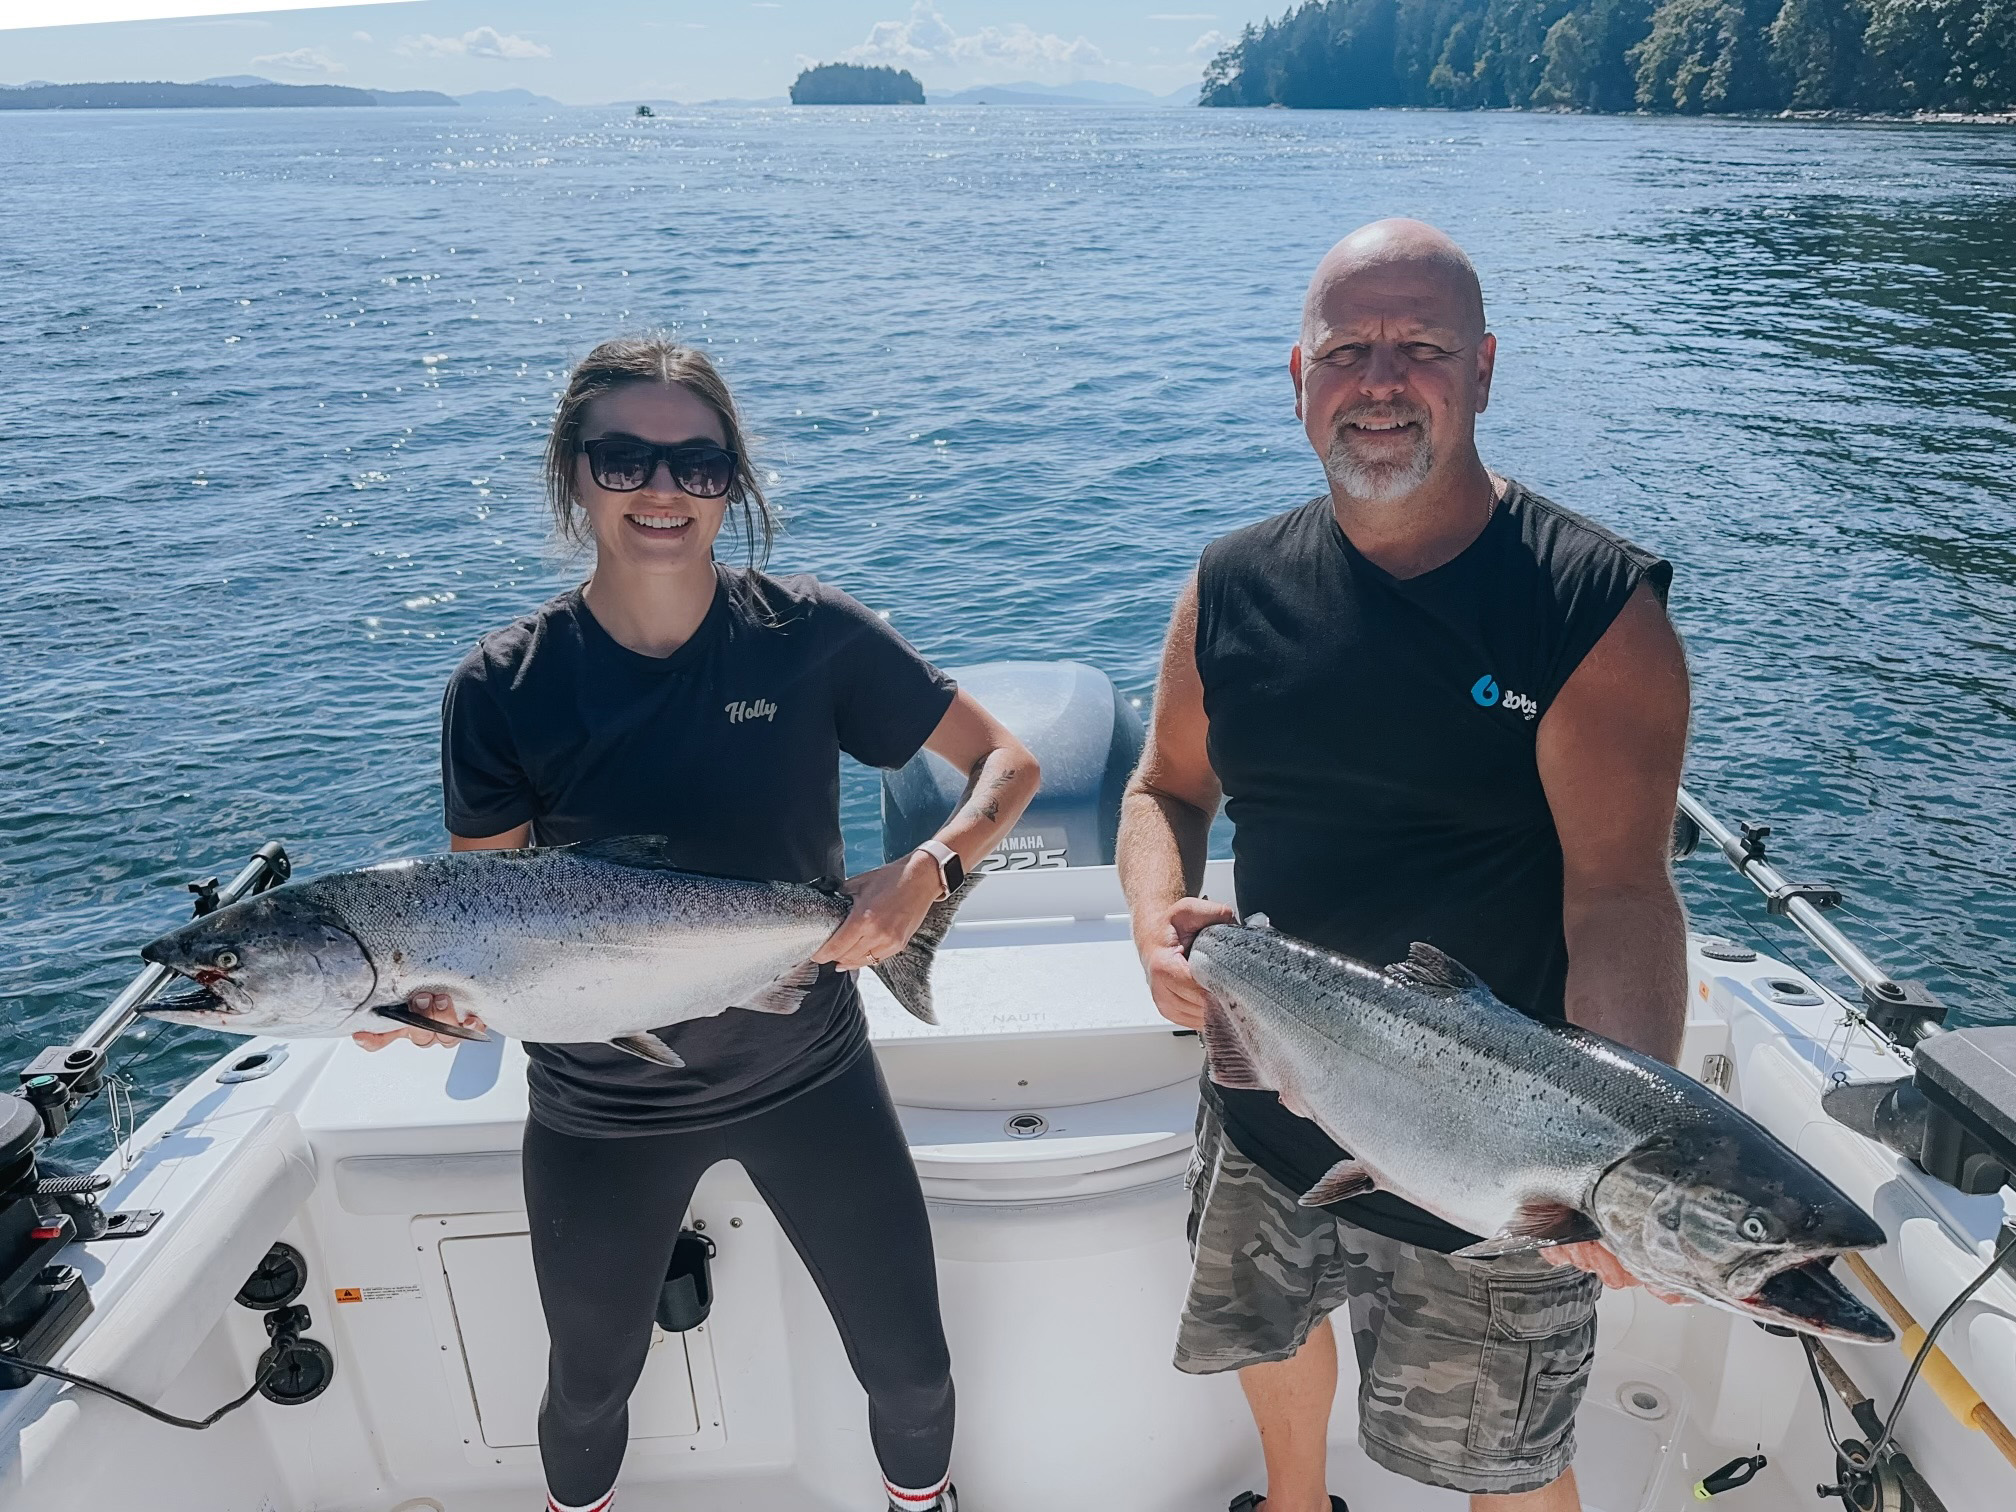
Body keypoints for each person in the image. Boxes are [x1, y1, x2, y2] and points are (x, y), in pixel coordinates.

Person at [357, 336, 1038, 1512]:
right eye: (625, 459)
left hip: (808, 1070)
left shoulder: (809, 633)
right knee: (586, 1393)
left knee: (914, 1377)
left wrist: (925, 873)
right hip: (600, 1106)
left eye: (699, 464)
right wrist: (432, 1012)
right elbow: (488, 923)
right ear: (576, 474)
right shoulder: (501, 686)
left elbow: (1005, 764)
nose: (663, 491)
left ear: (734, 482)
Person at [1117, 220, 1691, 1512]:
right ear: (1299, 380)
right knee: (1268, 1335)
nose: (1381, 380)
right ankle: (1295, 1501)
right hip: (1266, 1089)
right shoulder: (1227, 588)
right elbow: (1165, 789)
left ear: (1484, 369)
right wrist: (1158, 922)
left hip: (1498, 1152)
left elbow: (1621, 896)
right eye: (1348, 350)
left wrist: (1610, 1164)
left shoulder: (1593, 613)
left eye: (1420, 347)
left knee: (1511, 1456)